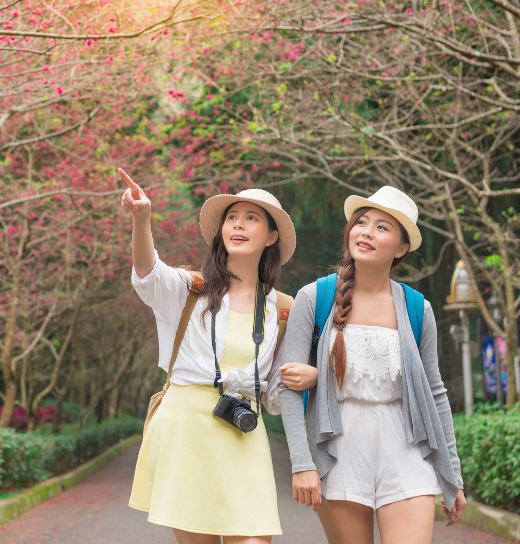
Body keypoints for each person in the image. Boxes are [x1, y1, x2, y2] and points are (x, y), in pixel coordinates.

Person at [120, 168, 316, 544]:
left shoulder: (283, 309)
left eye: (252, 218)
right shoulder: (191, 289)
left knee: (255, 536)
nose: (238, 225)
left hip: (244, 430)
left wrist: (310, 376)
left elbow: (275, 396)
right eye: (232, 217)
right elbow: (147, 274)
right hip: (187, 427)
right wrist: (141, 219)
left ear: (271, 236)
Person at [279, 186, 468, 544]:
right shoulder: (314, 297)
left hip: (407, 449)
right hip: (339, 450)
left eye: (382, 227)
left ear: (400, 248)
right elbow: (287, 386)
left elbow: (435, 395)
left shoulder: (417, 308)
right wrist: (303, 464)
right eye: (361, 222)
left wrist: (451, 475)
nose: (366, 231)